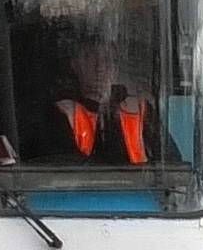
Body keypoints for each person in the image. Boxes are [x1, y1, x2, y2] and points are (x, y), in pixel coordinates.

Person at [23, 37, 169, 165]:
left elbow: (170, 164)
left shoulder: (140, 109)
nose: (100, 67)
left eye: (107, 59)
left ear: (115, 67)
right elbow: (60, 169)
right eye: (90, 58)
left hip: (141, 187)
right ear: (75, 65)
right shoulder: (60, 112)